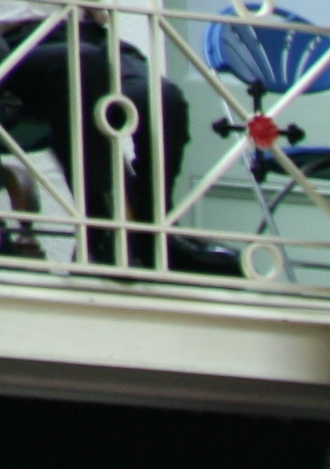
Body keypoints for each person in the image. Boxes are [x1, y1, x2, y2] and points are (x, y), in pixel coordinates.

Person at [0, 8, 243, 277]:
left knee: (160, 99)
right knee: (82, 63)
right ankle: (99, 233)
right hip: (14, 42)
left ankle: (153, 232)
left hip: (83, 31)